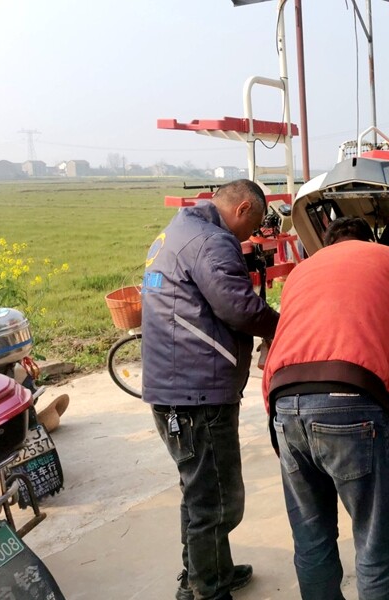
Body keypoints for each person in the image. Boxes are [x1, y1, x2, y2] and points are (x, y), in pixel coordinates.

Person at [261, 216, 389, 600]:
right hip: (353, 406)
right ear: (369, 240)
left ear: (327, 244)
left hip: (284, 406)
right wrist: (388, 355)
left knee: (311, 540)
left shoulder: (301, 271)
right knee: (376, 546)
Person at [141, 179, 280, 600]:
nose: (251, 235)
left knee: (198, 491)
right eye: (253, 225)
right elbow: (239, 308)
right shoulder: (212, 241)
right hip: (198, 392)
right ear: (242, 209)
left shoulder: (179, 229)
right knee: (218, 500)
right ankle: (209, 590)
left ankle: (205, 574)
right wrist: (283, 326)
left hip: (174, 386)